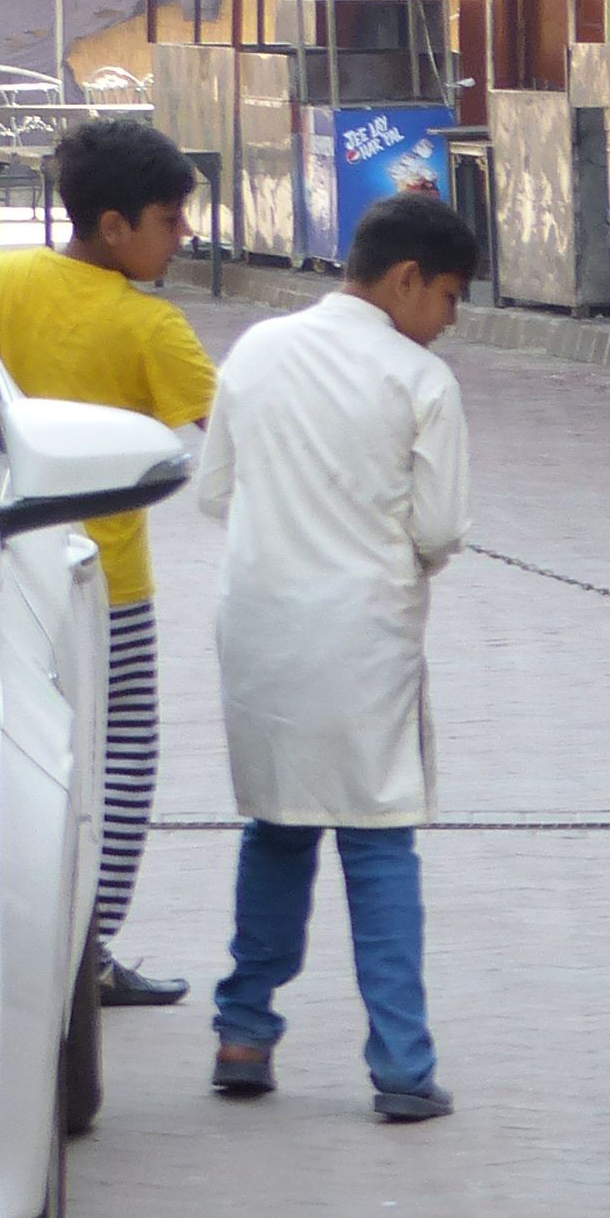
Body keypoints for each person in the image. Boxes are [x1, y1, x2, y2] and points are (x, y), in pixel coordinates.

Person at [198, 193, 478, 1121]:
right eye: (446, 297)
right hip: (362, 635)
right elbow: (438, 528)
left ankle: (243, 1030)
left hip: (260, 630)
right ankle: (402, 1066)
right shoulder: (420, 381)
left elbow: (217, 492)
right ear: (406, 280)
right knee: (377, 839)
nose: (447, 320)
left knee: (276, 826)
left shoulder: (257, 351)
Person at [0, 117, 219, 1006]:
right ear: (115, 226)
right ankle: (90, 953)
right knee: (121, 767)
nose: (183, 233)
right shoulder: (150, 326)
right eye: (169, 216)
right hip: (106, 590)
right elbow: (227, 447)